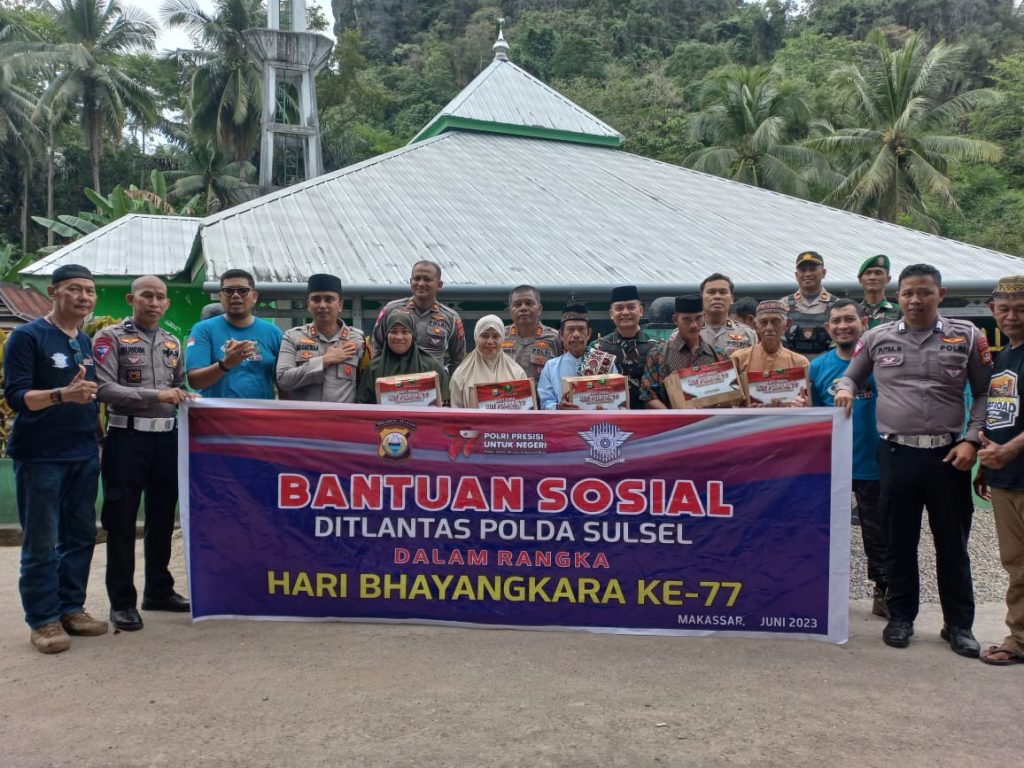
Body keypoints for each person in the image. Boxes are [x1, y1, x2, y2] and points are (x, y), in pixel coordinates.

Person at [836, 263, 991, 657]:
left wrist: (972, 440)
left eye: (924, 292)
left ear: (941, 294)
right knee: (898, 541)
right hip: (896, 454)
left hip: (949, 455)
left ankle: (958, 625)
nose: (915, 300)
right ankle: (901, 617)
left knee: (952, 545)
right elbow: (851, 376)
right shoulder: (876, 337)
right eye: (908, 293)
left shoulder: (968, 335)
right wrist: (845, 390)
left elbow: (984, 394)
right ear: (898, 296)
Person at [2, 264, 108, 653]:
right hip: (41, 456)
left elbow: (89, 396)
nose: (84, 297)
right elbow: (17, 397)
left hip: (83, 454)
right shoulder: (27, 336)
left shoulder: (84, 339)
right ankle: (44, 619)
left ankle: (71, 608)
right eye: (74, 289)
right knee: (42, 540)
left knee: (80, 536)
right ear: (53, 292)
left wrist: (100, 440)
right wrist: (62, 394)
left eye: (89, 291)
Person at [93, 276, 191, 632]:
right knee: (121, 521)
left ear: (167, 303)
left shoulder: (172, 342)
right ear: (130, 299)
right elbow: (103, 388)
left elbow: (178, 385)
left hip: (166, 440)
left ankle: (158, 591)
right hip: (127, 438)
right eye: (147, 295)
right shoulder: (110, 338)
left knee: (163, 518)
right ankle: (122, 602)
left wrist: (186, 396)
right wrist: (155, 396)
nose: (154, 302)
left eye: (160, 297)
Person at [809, 299, 888, 618]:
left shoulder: (882, 364)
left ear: (863, 323)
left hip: (875, 465)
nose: (843, 326)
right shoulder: (817, 368)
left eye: (849, 319)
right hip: (832, 468)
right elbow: (811, 418)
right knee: (827, 535)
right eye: (836, 321)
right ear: (827, 327)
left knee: (879, 536)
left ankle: (884, 592)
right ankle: (823, 592)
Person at [973, 275, 1024, 666]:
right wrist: (985, 465)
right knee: (1016, 562)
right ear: (992, 311)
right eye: (1004, 309)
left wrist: (1010, 449)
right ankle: (1019, 637)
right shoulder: (1003, 357)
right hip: (1006, 478)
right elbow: (1001, 414)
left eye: (1020, 309)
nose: (1011, 316)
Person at [185, 269, 284, 399]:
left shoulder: (273, 332)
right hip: (216, 412)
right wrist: (225, 364)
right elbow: (194, 381)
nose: (235, 295)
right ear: (221, 296)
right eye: (228, 291)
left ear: (254, 297)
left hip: (260, 412)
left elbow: (283, 383)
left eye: (243, 290)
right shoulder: (203, 330)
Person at [276, 274, 367, 402]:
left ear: (340, 305)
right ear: (308, 305)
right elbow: (283, 380)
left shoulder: (358, 339)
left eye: (329, 299)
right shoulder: (293, 337)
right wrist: (324, 361)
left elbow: (366, 383)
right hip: (306, 414)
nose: (322, 305)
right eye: (316, 299)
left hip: (342, 414)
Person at [370, 260, 465, 372]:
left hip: (432, 380)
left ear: (439, 285)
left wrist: (444, 377)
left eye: (427, 279)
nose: (421, 283)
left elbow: (458, 359)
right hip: (396, 379)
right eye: (417, 278)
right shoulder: (391, 310)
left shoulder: (451, 318)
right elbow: (376, 347)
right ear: (411, 282)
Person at [639, 295, 725, 409]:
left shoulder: (718, 355)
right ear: (675, 319)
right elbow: (648, 396)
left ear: (704, 317)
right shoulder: (658, 353)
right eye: (687, 319)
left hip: (710, 420)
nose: (694, 325)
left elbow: (729, 395)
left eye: (698, 318)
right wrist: (677, 416)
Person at [358, 311, 450, 405]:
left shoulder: (432, 366)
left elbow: (445, 405)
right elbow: (363, 406)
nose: (399, 337)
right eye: (393, 332)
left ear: (413, 335)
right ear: (386, 335)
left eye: (405, 332)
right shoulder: (374, 368)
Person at [538, 303, 618, 410]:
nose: (576, 335)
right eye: (570, 330)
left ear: (589, 334)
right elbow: (545, 404)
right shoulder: (550, 367)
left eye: (581, 329)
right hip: (563, 420)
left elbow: (617, 399)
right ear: (561, 334)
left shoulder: (605, 362)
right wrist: (558, 407)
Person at [731, 300, 811, 405]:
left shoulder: (800, 362)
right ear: (755, 325)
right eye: (763, 322)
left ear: (787, 325)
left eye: (776, 322)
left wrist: (802, 403)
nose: (769, 328)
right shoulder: (739, 358)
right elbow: (729, 402)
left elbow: (808, 402)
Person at [590, 285, 656, 409]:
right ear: (611, 313)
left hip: (649, 414)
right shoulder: (598, 347)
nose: (625, 312)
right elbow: (592, 387)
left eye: (631, 307)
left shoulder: (657, 346)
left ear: (641, 311)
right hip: (611, 415)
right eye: (619, 308)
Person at [450, 315, 530, 408]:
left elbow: (525, 409)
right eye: (484, 336)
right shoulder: (461, 374)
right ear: (476, 337)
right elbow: (456, 411)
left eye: (496, 336)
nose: (490, 341)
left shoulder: (517, 373)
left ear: (502, 339)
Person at [781, 250, 836, 359]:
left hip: (826, 366)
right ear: (796, 275)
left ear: (824, 272)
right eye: (803, 270)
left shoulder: (837, 307)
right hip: (792, 367)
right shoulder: (783, 306)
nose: (808, 274)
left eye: (813, 269)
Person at [503, 285, 561, 381]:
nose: (523, 308)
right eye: (517, 304)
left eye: (529, 303)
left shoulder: (555, 337)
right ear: (510, 310)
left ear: (539, 309)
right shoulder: (500, 336)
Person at [700, 274, 756, 357]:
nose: (717, 296)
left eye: (723, 292)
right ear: (701, 298)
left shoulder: (748, 334)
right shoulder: (688, 333)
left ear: (731, 299)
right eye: (711, 292)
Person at [857, 254, 901, 328]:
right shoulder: (853, 312)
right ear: (860, 280)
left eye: (878, 273)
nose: (872, 277)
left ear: (888, 279)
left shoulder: (900, 311)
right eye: (868, 273)